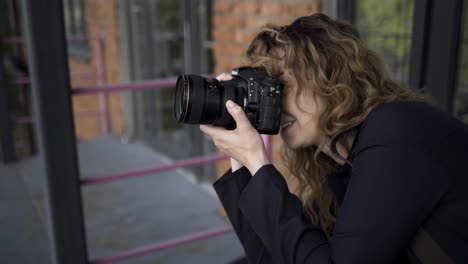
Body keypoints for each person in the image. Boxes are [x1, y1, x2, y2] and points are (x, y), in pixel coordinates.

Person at [200, 13, 468, 263]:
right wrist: (241, 161)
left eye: (281, 85)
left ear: (331, 77)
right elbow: (272, 257)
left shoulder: (396, 132)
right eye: (269, 89)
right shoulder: (339, 168)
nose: (275, 101)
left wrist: (259, 164)